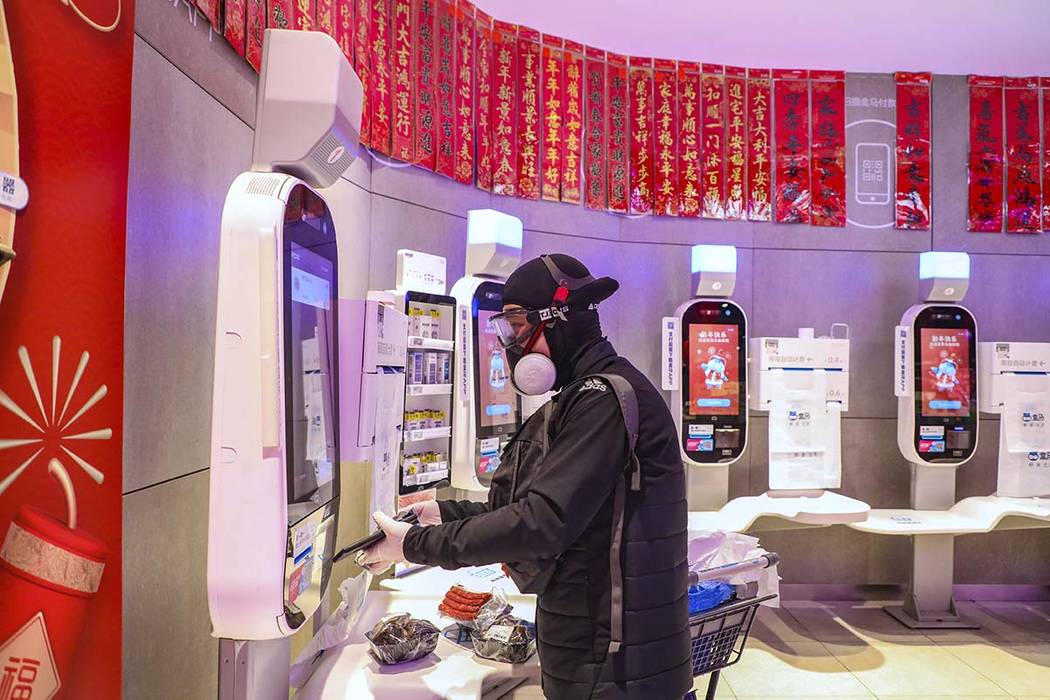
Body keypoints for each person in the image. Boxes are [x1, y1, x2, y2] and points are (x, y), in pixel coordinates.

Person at [361, 254, 692, 699]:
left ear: (558, 319)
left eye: (517, 325)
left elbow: (541, 523)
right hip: (605, 651)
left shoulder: (602, 400)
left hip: (616, 664)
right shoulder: (591, 393)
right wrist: (443, 513)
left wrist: (413, 546)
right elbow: (543, 508)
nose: (510, 343)